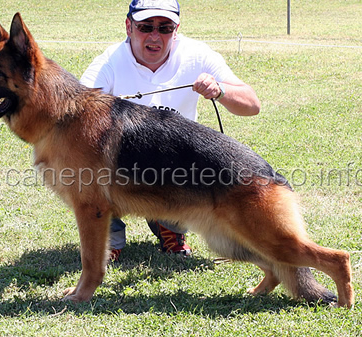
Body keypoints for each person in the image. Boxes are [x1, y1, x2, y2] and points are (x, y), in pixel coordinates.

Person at [80, 0, 261, 261]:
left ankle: (170, 227)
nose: (155, 36)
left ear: (176, 30)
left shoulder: (197, 54)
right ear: (129, 27)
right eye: (145, 26)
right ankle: (110, 238)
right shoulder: (108, 62)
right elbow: (75, 116)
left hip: (174, 165)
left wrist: (220, 90)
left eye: (164, 28)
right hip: (120, 166)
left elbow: (251, 104)